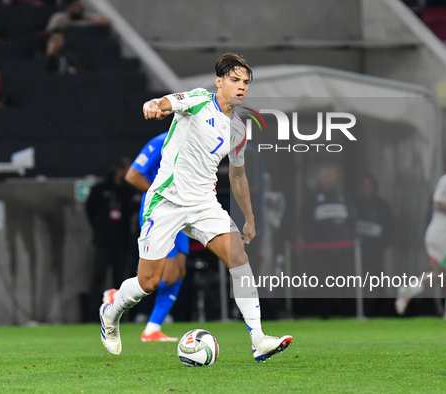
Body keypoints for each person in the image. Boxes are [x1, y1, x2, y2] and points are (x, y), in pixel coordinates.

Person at [98, 53, 292, 362]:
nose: (241, 87)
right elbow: (167, 101)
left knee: (239, 259)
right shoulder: (199, 100)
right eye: (234, 80)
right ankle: (111, 311)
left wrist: (250, 218)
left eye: (245, 83)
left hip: (203, 204)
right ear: (219, 82)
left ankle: (258, 339)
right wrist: (155, 106)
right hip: (166, 201)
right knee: (148, 282)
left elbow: (239, 177)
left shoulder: (238, 130)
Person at [117, 131, 190, 342]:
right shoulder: (161, 141)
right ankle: (118, 294)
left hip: (183, 212)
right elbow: (132, 175)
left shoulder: (196, 141)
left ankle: (152, 329)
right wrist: (162, 194)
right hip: (159, 214)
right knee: (164, 276)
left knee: (179, 273)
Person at [396, 153, 446, 320]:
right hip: (445, 234)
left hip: (437, 233)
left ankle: (409, 289)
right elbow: (437, 204)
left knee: (439, 273)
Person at [85, 158, 137, 322]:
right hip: (103, 241)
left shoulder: (128, 190)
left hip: (121, 241)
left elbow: (131, 211)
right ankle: (92, 316)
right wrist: (100, 227)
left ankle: (119, 316)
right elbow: (90, 209)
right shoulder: (101, 188)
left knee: (120, 279)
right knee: (98, 278)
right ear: (118, 170)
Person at [300, 163, 354, 318]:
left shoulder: (342, 196)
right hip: (321, 248)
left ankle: (348, 312)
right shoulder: (311, 197)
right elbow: (304, 221)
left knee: (345, 280)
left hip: (342, 247)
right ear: (319, 177)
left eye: (332, 175)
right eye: (326, 175)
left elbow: (351, 219)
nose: (329, 178)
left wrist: (349, 236)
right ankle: (325, 313)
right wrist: (312, 240)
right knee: (324, 280)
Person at [355, 174, 394, 315]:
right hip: (360, 250)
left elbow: (389, 227)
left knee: (378, 279)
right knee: (360, 280)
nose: (366, 188)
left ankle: (380, 309)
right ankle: (361, 308)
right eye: (364, 185)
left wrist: (383, 245)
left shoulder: (381, 205)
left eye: (369, 184)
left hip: (376, 250)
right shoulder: (357, 205)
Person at [45, 0, 111, 32]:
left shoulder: (80, 16)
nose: (81, 7)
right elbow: (71, 26)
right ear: (70, 8)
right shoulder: (59, 18)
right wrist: (89, 23)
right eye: (78, 6)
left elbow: (106, 20)